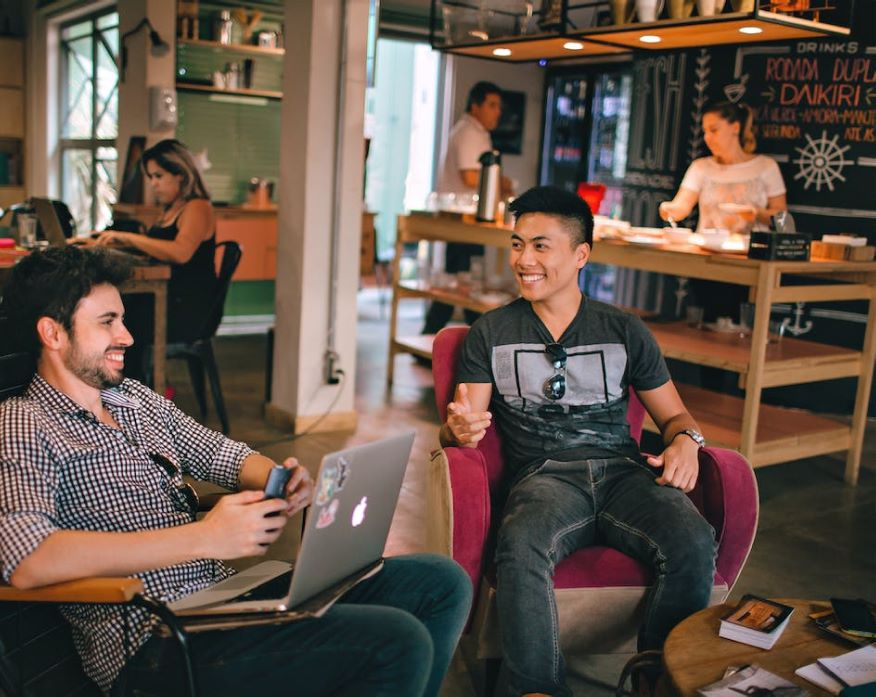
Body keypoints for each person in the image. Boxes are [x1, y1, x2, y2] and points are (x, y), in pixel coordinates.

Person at [0, 245, 472, 697]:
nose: (127, 335)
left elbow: (224, 455)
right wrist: (205, 537)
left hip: (221, 599)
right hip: (154, 642)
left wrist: (278, 479)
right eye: (108, 322)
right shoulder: (24, 421)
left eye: (122, 319)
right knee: (395, 641)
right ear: (53, 333)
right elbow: (28, 560)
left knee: (439, 582)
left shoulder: (133, 400)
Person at [440, 186, 716, 697]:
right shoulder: (491, 332)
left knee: (693, 540)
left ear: (581, 254)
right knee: (520, 544)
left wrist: (687, 442)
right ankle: (536, 690)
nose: (524, 260)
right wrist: (457, 430)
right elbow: (464, 419)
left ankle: (658, 682)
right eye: (517, 244)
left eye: (541, 246)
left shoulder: (623, 329)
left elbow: (675, 415)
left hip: (624, 473)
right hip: (544, 477)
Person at [92, 139, 219, 381]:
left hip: (187, 308)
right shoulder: (171, 209)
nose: (153, 184)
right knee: (111, 313)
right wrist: (112, 241)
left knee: (117, 320)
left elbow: (181, 252)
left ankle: (130, 394)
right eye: (151, 177)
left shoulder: (198, 207)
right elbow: (158, 249)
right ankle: (119, 390)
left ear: (180, 174)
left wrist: (128, 238)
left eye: (158, 176)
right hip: (169, 297)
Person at [422, 81, 513, 336]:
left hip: (469, 222)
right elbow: (471, 178)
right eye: (492, 105)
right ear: (476, 106)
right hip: (464, 222)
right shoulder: (469, 132)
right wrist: (502, 182)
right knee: (464, 286)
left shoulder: (475, 132)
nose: (498, 112)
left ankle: (441, 339)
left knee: (463, 286)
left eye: (499, 107)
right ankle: (468, 342)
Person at [658, 101, 787, 234]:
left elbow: (782, 219)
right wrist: (669, 209)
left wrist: (757, 213)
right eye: (705, 132)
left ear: (735, 128)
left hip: (751, 250)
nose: (707, 138)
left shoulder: (766, 166)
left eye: (714, 130)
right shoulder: (700, 167)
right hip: (706, 249)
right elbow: (682, 206)